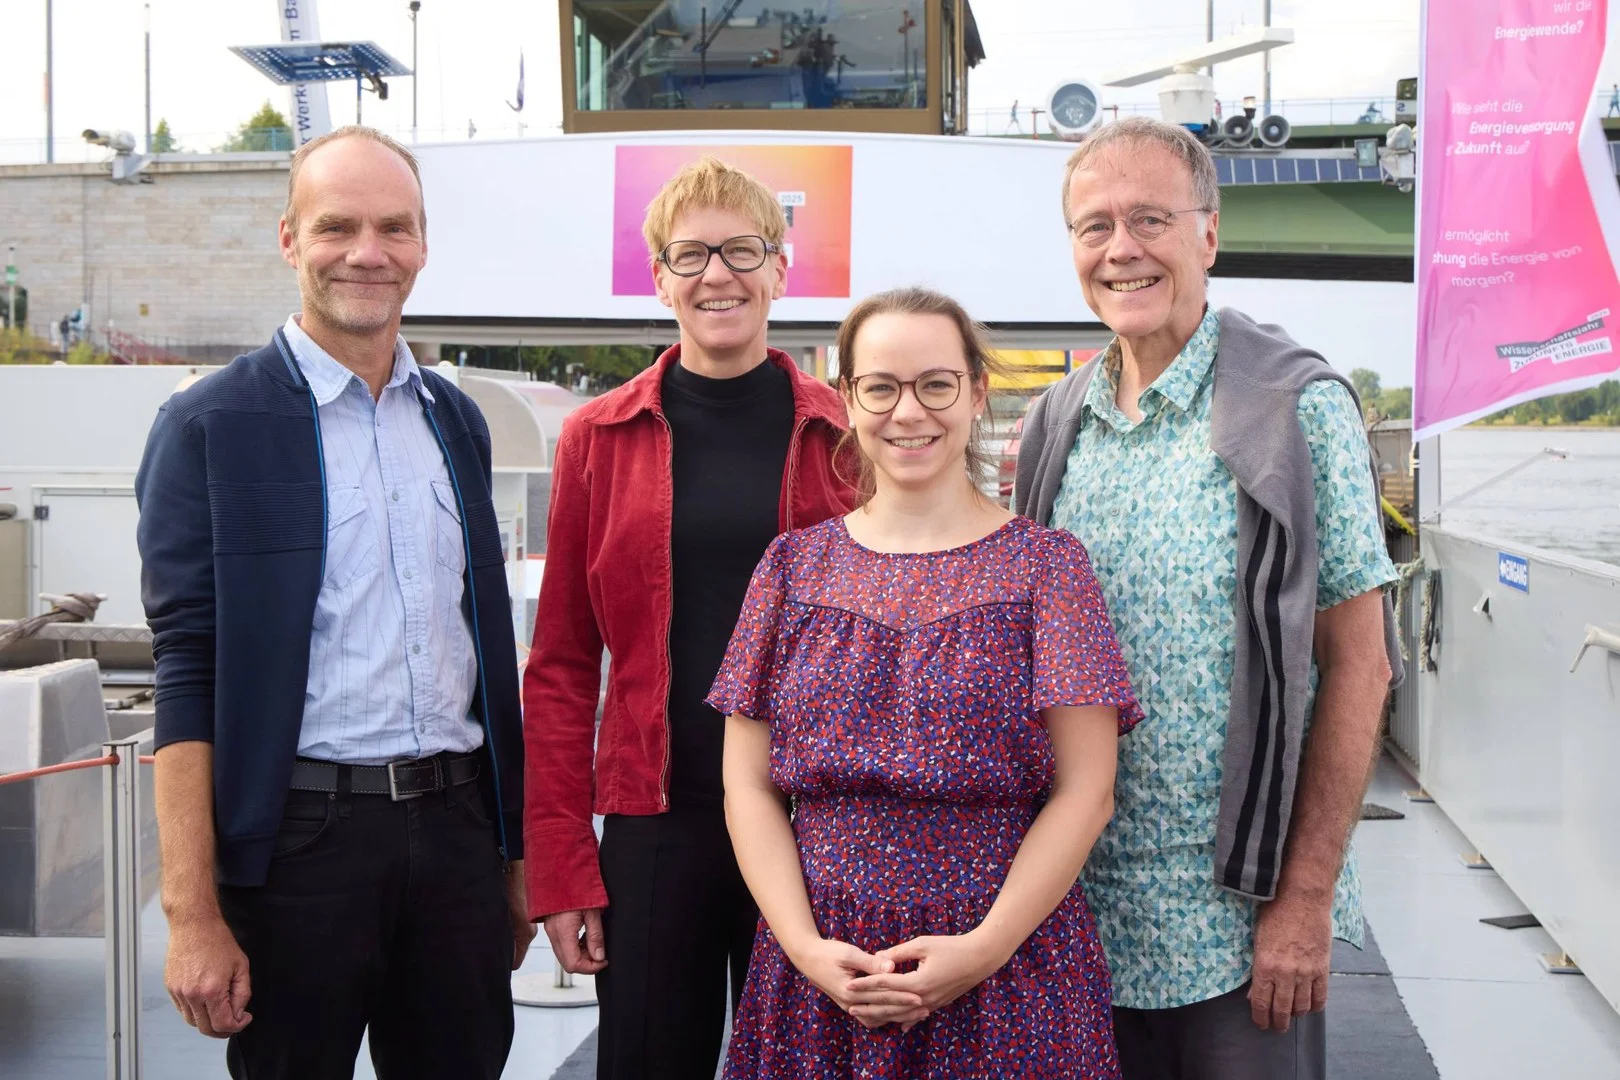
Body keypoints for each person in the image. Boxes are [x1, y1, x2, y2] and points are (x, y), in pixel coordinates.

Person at [135, 125, 531, 1080]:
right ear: (288, 239)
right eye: (336, 226)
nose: (368, 251)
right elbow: (187, 672)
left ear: (423, 245)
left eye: (394, 227)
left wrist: (510, 861)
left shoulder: (456, 421)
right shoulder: (208, 426)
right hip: (299, 847)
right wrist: (194, 916)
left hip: (457, 837)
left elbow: (486, 652)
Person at [1014, 116, 1403, 1079]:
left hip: (1238, 918)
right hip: (1080, 912)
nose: (1121, 250)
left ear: (1209, 236)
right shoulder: (1054, 426)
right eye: (1093, 226)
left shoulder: (1295, 409)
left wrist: (1306, 900)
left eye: (1150, 218)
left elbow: (1361, 663)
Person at [709, 286, 1143, 1079]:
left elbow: (1088, 791)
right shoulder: (790, 570)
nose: (908, 411)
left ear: (977, 393)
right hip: (824, 968)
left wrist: (982, 951)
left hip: (1006, 963)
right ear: (847, 399)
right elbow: (747, 785)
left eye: (936, 384)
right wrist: (806, 948)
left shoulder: (1049, 567)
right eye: (881, 386)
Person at [523, 156, 855, 1080]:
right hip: (655, 825)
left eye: (743, 250)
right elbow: (559, 665)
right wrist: (561, 864)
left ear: (781, 269)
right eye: (691, 254)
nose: (719, 274)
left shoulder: (844, 437)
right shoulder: (598, 437)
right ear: (660, 277)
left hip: (812, 825)